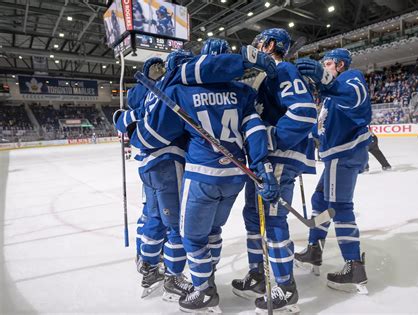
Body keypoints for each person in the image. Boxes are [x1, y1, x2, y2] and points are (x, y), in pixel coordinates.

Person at [128, 38, 278, 313]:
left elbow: (154, 137)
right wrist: (262, 167)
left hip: (202, 176)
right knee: (214, 231)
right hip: (235, 175)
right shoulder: (244, 93)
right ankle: (208, 276)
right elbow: (255, 131)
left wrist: (131, 128)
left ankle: (204, 289)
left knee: (192, 237)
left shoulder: (183, 92)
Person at [230, 29, 317, 314]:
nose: (255, 48)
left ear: (269, 46)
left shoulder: (284, 69)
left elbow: (304, 112)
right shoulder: (264, 77)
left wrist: (270, 136)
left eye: (258, 44)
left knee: (274, 221)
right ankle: (259, 274)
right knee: (253, 217)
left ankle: (285, 287)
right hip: (265, 160)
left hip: (279, 156)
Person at [114, 52, 194, 300]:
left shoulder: (146, 92)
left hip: (147, 165)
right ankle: (173, 278)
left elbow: (127, 115)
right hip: (169, 162)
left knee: (154, 218)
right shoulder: (173, 87)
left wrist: (121, 116)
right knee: (175, 226)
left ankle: (148, 268)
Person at [294, 48, 371, 294]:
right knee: (320, 200)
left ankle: (354, 266)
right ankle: (314, 249)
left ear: (340, 64)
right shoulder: (328, 97)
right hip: (335, 156)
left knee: (339, 206)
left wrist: (324, 79)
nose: (324, 67)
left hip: (344, 153)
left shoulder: (351, 77)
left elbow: (355, 97)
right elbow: (323, 129)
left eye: (327, 63)